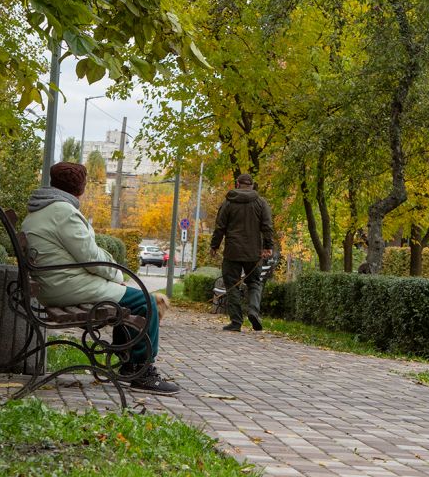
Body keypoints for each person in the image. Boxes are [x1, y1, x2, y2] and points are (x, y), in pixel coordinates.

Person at [22, 162, 179, 394]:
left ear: (53, 182)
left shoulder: (38, 210)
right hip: (66, 286)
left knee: (129, 301)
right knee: (146, 302)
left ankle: (128, 364)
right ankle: (142, 371)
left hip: (52, 285)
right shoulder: (63, 212)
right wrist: (116, 275)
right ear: (81, 188)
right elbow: (92, 258)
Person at [209, 173, 274, 332]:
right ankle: (253, 311)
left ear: (237, 184)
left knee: (232, 285)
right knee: (254, 283)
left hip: (232, 251)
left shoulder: (228, 202)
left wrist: (214, 245)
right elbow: (267, 226)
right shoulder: (261, 203)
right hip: (253, 252)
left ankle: (236, 321)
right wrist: (268, 246)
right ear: (252, 185)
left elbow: (220, 227)